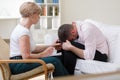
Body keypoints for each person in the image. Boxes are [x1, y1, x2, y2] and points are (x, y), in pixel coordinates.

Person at [9, 2, 69, 77]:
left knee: (57, 59)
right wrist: (43, 54)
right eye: (38, 14)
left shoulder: (25, 29)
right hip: (18, 65)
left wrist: (51, 46)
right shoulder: (23, 32)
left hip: (20, 62)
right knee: (54, 61)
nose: (39, 17)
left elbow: (33, 49)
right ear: (31, 15)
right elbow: (26, 57)